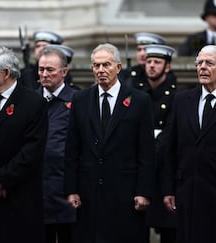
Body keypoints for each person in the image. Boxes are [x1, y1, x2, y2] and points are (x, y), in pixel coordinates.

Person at [64, 43, 155, 243]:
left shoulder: (139, 101)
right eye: (96, 66)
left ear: (118, 68)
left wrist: (144, 191)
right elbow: (72, 148)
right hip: (89, 194)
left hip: (126, 194)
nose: (101, 70)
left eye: (106, 65)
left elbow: (146, 152)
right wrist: (71, 189)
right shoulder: (80, 99)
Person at [163, 45, 216, 243]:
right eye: (199, 63)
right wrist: (168, 189)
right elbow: (171, 149)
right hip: (189, 195)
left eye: (209, 63)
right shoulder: (182, 101)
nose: (202, 67)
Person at [0, 46, 48, 243]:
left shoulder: (33, 103)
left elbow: (32, 149)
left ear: (6, 73)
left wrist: (3, 179)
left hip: (19, 198)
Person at [36, 46, 76, 243]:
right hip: (37, 192)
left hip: (66, 190)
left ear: (64, 72)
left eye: (50, 69)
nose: (44, 74)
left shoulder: (78, 101)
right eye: (41, 69)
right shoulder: (30, 100)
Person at [140, 44, 177, 243]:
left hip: (163, 168)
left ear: (167, 67)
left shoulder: (175, 98)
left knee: (169, 229)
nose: (152, 66)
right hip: (142, 168)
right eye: (149, 61)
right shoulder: (138, 94)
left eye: (157, 62)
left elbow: (169, 134)